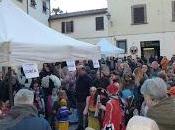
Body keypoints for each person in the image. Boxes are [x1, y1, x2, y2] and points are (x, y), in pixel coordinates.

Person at [76, 65, 92, 130]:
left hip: (85, 100)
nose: (78, 71)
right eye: (77, 70)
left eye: (79, 70)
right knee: (79, 115)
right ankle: (80, 127)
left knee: (85, 116)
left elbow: (90, 90)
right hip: (78, 99)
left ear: (83, 70)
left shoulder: (88, 79)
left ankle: (86, 127)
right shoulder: (78, 77)